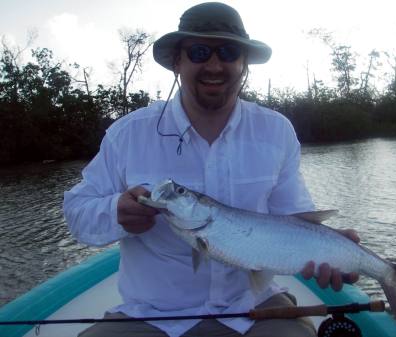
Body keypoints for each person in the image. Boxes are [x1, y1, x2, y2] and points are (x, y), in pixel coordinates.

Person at [64, 2, 359, 337]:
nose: (215, 65)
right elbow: (76, 210)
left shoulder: (276, 131)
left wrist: (330, 247)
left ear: (243, 62)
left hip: (255, 307)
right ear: (177, 62)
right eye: (200, 52)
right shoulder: (127, 134)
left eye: (229, 52)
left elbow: (293, 217)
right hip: (150, 314)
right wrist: (115, 211)